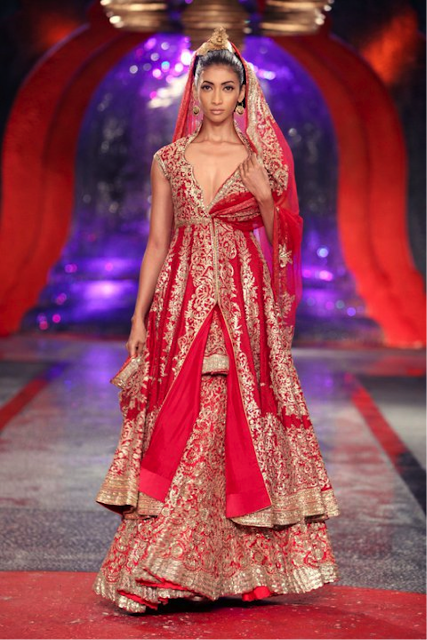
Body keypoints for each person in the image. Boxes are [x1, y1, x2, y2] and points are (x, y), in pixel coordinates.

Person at [93, 26, 339, 614]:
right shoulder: (168, 159)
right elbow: (157, 242)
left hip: (243, 303)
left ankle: (223, 567)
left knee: (231, 422)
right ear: (195, 91)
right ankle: (168, 563)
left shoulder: (261, 161)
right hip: (180, 302)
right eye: (208, 87)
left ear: (244, 93)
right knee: (181, 420)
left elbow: (284, 244)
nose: (217, 98)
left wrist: (263, 199)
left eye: (229, 87)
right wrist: (138, 317)